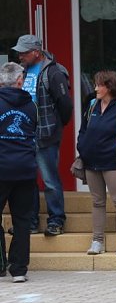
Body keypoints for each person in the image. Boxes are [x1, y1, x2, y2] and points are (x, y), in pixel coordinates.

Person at [13, 34, 72, 236]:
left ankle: (56, 220)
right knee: (28, 180)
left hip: (45, 135)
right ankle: (31, 221)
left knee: (49, 180)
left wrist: (56, 126)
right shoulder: (22, 71)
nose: (20, 56)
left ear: (36, 52)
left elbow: (65, 105)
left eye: (24, 52)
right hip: (23, 136)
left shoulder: (54, 72)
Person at [76, 71, 116, 256]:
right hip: (91, 162)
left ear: (109, 86)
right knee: (97, 202)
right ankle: (97, 241)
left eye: (98, 85)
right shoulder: (92, 104)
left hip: (112, 162)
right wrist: (82, 147)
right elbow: (83, 129)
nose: (95, 88)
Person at [0, 62, 38, 282]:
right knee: (22, 220)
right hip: (25, 169)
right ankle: (19, 269)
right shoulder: (30, 105)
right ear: (19, 81)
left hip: (2, 168)